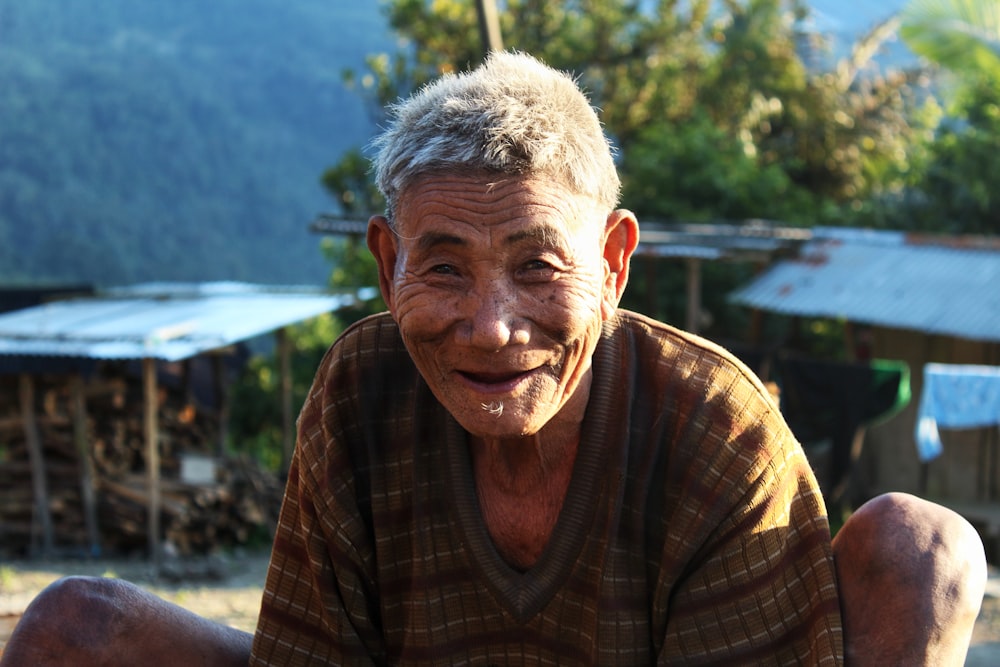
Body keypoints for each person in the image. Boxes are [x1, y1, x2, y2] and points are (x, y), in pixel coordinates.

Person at [0, 50, 986, 666]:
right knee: (74, 626)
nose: (488, 324)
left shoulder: (714, 427)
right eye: (445, 267)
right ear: (388, 264)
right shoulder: (359, 390)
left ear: (612, 264)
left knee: (926, 544)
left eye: (534, 266)